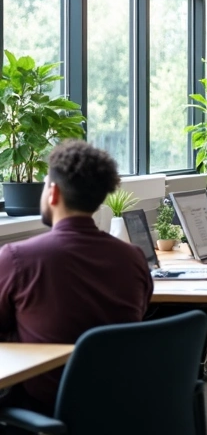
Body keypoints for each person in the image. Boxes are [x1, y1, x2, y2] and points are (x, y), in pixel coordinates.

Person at [0, 140, 152, 415]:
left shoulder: (17, 258)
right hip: (119, 402)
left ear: (53, 192)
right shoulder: (133, 257)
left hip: (47, 405)